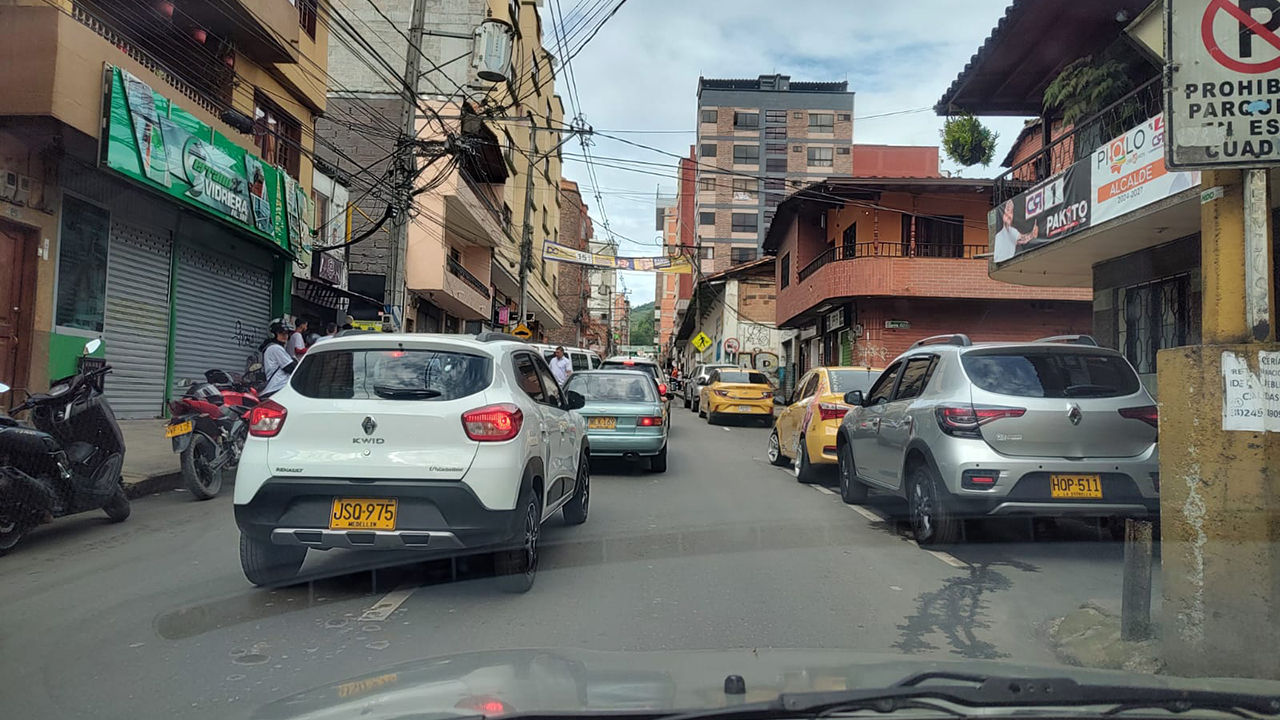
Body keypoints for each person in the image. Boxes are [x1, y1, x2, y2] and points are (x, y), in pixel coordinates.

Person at [261, 321, 297, 399]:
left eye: (286, 333)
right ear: (273, 334)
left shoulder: (271, 347)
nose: (285, 336)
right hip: (278, 387)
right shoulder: (276, 348)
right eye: (281, 333)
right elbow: (291, 368)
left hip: (276, 388)